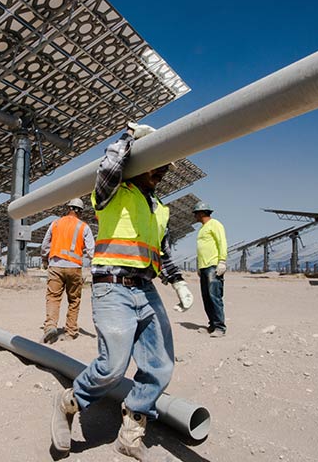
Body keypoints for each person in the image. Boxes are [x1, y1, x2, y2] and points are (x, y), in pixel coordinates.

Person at [50, 122, 194, 460]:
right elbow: (111, 165)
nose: (160, 171)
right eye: (156, 163)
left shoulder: (160, 208)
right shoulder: (111, 192)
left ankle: (131, 430)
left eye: (164, 167)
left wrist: (178, 282)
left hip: (146, 289)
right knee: (113, 366)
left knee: (159, 364)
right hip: (112, 288)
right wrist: (132, 140)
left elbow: (163, 251)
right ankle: (70, 402)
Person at [39, 198, 94, 344]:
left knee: (53, 298)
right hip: (74, 267)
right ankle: (70, 331)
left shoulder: (55, 223)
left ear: (68, 208)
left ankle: (50, 326)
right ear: (80, 211)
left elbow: (45, 245)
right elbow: (91, 251)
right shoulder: (84, 227)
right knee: (74, 300)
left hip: (55, 265)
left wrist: (45, 259)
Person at [193, 201, 228, 336]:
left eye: (196, 213)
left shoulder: (215, 224)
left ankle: (220, 327)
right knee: (206, 297)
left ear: (202, 213)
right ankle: (212, 325)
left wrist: (222, 261)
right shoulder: (202, 228)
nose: (195, 216)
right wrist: (199, 266)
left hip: (213, 266)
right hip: (204, 267)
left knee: (214, 296)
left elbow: (222, 242)